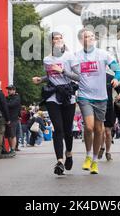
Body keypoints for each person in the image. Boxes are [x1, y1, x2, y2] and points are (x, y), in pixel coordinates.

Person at [75, 28, 120, 175]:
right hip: (84, 96)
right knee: (88, 127)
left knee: (99, 130)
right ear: (81, 40)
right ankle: (88, 155)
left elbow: (118, 69)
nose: (88, 39)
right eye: (85, 37)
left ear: (94, 39)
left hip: (101, 97)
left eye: (90, 36)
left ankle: (95, 160)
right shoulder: (76, 56)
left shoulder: (103, 54)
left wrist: (116, 78)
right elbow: (68, 71)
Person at [32, 32, 80, 175]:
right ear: (51, 42)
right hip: (53, 96)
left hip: (67, 96)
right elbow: (50, 76)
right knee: (57, 129)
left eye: (60, 38)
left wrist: (63, 71)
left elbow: (78, 76)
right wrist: (41, 79)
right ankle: (59, 161)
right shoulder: (47, 59)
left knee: (68, 130)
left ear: (63, 41)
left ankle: (69, 153)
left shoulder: (70, 56)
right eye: (55, 39)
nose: (58, 40)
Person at [98, 72, 120, 161]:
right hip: (98, 107)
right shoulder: (94, 76)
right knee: (101, 130)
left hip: (109, 108)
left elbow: (119, 88)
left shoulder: (110, 77)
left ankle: (108, 152)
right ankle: (102, 147)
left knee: (108, 132)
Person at [5, 85, 21, 155]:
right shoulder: (7, 97)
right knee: (8, 135)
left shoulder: (17, 98)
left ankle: (13, 149)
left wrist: (4, 104)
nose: (8, 91)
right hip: (7, 118)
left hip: (13, 119)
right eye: (8, 89)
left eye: (10, 89)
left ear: (14, 90)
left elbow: (11, 105)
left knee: (12, 134)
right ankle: (11, 148)